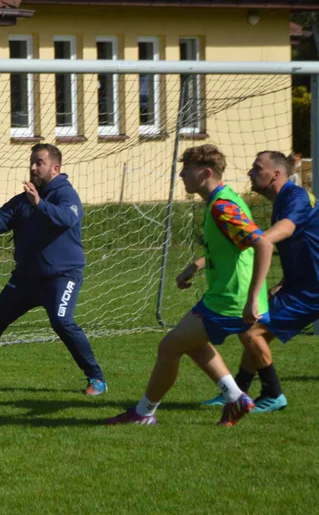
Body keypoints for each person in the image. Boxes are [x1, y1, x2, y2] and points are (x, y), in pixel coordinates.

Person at [106, 144, 272, 427]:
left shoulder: (223, 206)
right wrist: (195, 266)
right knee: (190, 342)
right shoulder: (222, 199)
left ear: (205, 173)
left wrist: (253, 298)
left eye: (187, 169)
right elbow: (232, 246)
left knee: (169, 347)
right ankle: (235, 397)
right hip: (223, 296)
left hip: (232, 299)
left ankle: (143, 413)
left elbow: (263, 243)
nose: (181, 174)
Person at [0, 143, 107, 395]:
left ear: (55, 168)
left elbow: (67, 217)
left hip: (62, 276)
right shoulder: (23, 199)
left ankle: (96, 378)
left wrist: (39, 204)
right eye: (32, 162)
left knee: (62, 322)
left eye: (39, 163)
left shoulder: (66, 195)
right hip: (26, 279)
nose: (33, 167)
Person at [199, 150, 319, 413]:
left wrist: (259, 242)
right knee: (258, 332)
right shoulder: (285, 200)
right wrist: (286, 280)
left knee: (251, 330)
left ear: (275, 174)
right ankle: (238, 392)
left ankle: (272, 393)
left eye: (257, 168)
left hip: (312, 289)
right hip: (302, 285)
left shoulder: (296, 196)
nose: (250, 172)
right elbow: (307, 244)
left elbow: (283, 232)